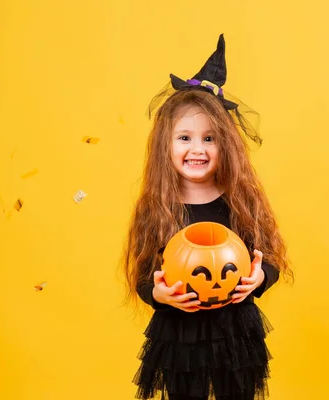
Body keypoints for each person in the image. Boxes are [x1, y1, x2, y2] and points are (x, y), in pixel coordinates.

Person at [123, 34, 292, 400]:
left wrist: (260, 277)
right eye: (184, 138)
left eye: (209, 139)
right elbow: (142, 276)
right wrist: (160, 295)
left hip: (235, 330)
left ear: (226, 145)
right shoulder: (157, 206)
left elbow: (270, 258)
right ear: (165, 145)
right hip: (179, 333)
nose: (197, 149)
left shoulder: (241, 200)